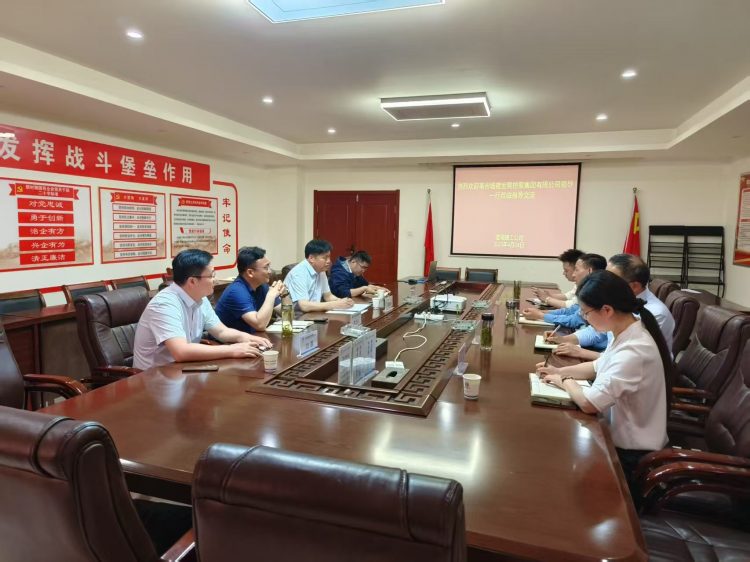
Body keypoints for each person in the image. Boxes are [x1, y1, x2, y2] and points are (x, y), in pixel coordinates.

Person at [536, 270, 674, 491]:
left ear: (607, 310)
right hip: (617, 439)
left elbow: (589, 403)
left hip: (633, 457)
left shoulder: (635, 349)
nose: (584, 318)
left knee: (558, 471)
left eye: (586, 313)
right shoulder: (626, 332)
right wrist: (557, 371)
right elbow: (596, 366)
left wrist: (566, 380)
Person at [133, 249, 272, 370]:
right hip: (154, 377)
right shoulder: (164, 304)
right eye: (211, 276)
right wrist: (232, 349)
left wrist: (247, 338)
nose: (215, 280)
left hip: (183, 370)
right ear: (192, 281)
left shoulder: (200, 297)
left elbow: (221, 332)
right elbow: (181, 351)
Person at [551, 254, 675, 360]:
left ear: (634, 286)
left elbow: (628, 359)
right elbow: (600, 331)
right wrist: (565, 339)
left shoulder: (655, 313)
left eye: (612, 279)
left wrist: (582, 353)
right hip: (609, 361)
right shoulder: (619, 299)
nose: (604, 282)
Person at [214, 246, 292, 333]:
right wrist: (271, 296)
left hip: (251, 337)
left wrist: (285, 294)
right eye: (266, 267)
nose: (270, 271)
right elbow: (260, 325)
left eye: (269, 266)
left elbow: (288, 315)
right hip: (226, 340)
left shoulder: (262, 286)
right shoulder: (236, 291)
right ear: (250, 272)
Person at [522, 253, 607, 329]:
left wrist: (541, 315)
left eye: (576, 270)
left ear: (589, 271)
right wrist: (541, 313)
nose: (573, 274)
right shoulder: (586, 289)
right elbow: (572, 310)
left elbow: (575, 320)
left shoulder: (596, 293)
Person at [283, 239, 355, 312]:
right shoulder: (299, 273)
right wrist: (334, 304)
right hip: (296, 316)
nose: (329, 261)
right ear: (311, 258)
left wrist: (343, 302)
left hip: (313, 313)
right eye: (325, 258)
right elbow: (304, 306)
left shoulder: (320, 270)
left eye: (329, 257)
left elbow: (328, 296)